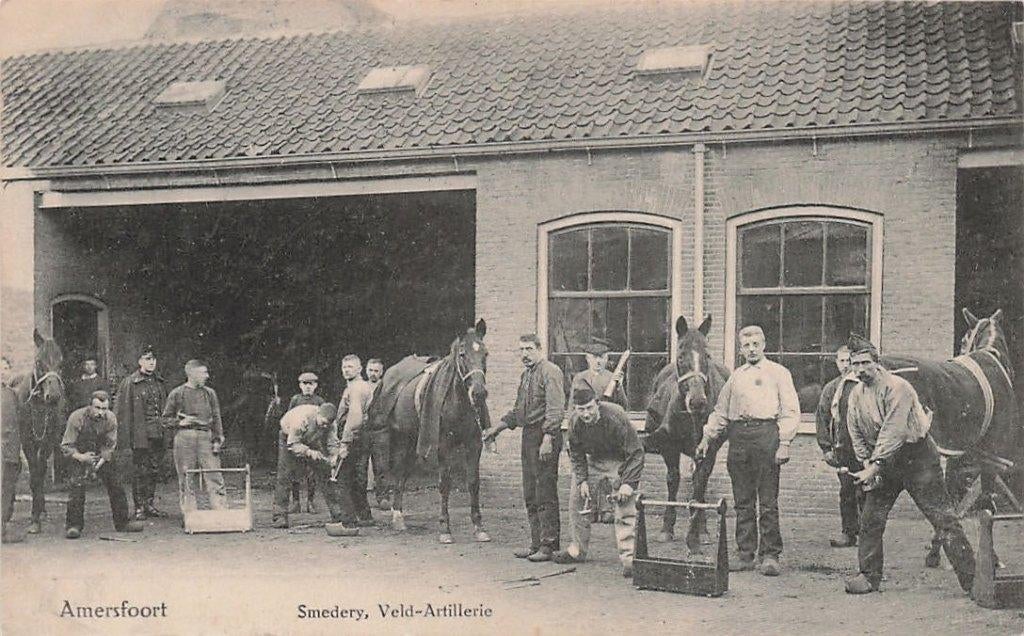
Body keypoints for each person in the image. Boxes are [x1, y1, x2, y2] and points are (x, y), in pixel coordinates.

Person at [842, 335, 976, 595]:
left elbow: (895, 431)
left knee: (943, 519)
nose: (859, 370)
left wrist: (875, 464)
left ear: (877, 362)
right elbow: (855, 431)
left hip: (918, 458)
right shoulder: (856, 395)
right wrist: (867, 463)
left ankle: (972, 580)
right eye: (854, 365)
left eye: (864, 363)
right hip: (883, 464)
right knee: (870, 519)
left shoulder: (898, 388)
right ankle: (869, 576)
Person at [695, 325, 800, 576]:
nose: (751, 349)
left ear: (764, 345)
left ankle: (770, 555)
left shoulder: (778, 373)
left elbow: (790, 410)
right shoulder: (736, 377)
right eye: (746, 345)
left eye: (756, 344)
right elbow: (721, 412)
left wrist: (784, 442)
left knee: (767, 500)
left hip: (767, 435)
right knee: (742, 501)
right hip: (738, 437)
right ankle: (745, 554)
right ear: (741, 349)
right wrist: (706, 438)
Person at [487, 333, 565, 562]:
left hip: (545, 436)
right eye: (521, 350)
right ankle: (535, 543)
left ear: (540, 349)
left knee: (545, 490)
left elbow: (555, 409)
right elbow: (519, 412)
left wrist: (549, 438)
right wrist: (497, 428)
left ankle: (549, 545)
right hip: (529, 436)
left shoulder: (551, 371)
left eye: (529, 349)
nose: (524, 354)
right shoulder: (526, 375)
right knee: (530, 491)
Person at [552, 387, 644, 577]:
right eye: (581, 409)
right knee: (577, 499)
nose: (586, 414)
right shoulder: (574, 422)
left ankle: (629, 559)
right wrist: (582, 479)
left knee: (625, 504)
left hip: (619, 459)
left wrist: (628, 483)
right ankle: (577, 550)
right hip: (592, 459)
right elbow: (576, 453)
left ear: (597, 404)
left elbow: (636, 453)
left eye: (589, 408)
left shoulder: (616, 416)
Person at [61, 390, 144, 538]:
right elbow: (66, 446)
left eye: (104, 409)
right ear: (90, 406)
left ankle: (122, 522)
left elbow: (110, 446)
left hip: (100, 456)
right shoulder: (76, 417)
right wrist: (82, 457)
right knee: (77, 488)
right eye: (97, 408)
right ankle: (74, 525)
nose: (101, 412)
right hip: (79, 454)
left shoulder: (111, 419)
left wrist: (97, 465)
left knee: (116, 484)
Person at [271, 402, 356, 534]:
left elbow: (332, 443)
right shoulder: (301, 419)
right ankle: (279, 516)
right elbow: (293, 444)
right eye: (323, 423)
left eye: (327, 424)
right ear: (318, 414)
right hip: (289, 438)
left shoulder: (330, 424)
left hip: (313, 439)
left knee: (326, 474)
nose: (325, 426)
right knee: (285, 475)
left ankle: (338, 514)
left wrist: (334, 457)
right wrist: (310, 452)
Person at [568, 340, 627, 523]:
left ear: (607, 358)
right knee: (585, 472)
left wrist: (619, 386)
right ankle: (590, 508)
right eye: (594, 357)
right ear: (587, 358)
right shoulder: (580, 378)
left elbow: (623, 407)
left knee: (608, 472)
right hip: (585, 432)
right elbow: (574, 406)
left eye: (602, 357)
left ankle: (606, 509)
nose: (598, 361)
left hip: (607, 432)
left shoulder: (612, 377)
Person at [161, 360, 227, 517]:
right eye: (203, 373)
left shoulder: (210, 393)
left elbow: (216, 416)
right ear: (191, 374)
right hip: (185, 437)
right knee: (186, 475)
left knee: (214, 474)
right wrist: (180, 422)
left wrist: (218, 438)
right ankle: (190, 514)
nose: (207, 376)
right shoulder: (177, 393)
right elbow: (165, 420)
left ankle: (221, 511)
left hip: (206, 436)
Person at [113, 345, 169, 520]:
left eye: (153, 359)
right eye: (147, 359)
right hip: (140, 436)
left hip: (157, 434)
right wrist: (126, 436)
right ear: (139, 362)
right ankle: (138, 507)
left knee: (153, 469)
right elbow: (122, 411)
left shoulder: (159, 382)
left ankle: (149, 504)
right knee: (140, 471)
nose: (151, 362)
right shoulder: (130, 382)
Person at [814, 345, 863, 548]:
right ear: (836, 363)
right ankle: (848, 533)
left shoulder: (863, 386)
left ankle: (868, 534)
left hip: (864, 448)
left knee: (868, 491)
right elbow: (822, 417)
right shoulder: (831, 389)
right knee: (847, 491)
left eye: (849, 361)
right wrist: (826, 448)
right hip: (843, 449)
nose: (845, 365)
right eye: (841, 361)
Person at [334, 355, 375, 525]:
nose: (346, 370)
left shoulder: (356, 388)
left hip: (354, 436)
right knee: (358, 477)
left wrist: (344, 442)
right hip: (362, 436)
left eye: (350, 367)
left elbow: (355, 416)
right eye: (344, 367)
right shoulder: (360, 386)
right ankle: (365, 516)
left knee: (343, 478)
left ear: (359, 369)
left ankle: (348, 521)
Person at [286, 371, 323, 513]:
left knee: (311, 473)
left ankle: (310, 502)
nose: (308, 387)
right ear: (300, 385)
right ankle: (295, 502)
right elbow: (289, 417)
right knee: (295, 471)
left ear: (316, 385)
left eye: (311, 384)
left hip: (313, 441)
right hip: (298, 440)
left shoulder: (319, 401)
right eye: (304, 384)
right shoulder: (295, 400)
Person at [362, 357, 391, 510]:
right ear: (366, 371)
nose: (373, 374)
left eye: (376, 371)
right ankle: (361, 499)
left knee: (382, 465)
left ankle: (383, 497)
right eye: (370, 370)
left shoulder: (386, 387)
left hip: (380, 430)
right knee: (361, 465)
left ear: (381, 372)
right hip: (363, 430)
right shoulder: (360, 387)